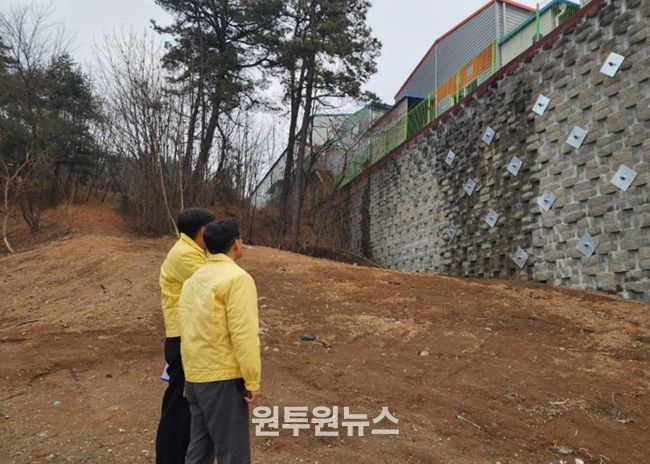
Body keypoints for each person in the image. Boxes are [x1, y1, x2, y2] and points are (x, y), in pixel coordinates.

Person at [179, 218, 261, 464]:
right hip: (222, 378)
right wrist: (252, 379)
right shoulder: (237, 279)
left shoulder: (193, 280)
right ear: (236, 243)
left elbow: (188, 329)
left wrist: (189, 376)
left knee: (200, 449)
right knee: (233, 452)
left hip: (196, 377)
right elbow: (243, 334)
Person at [156, 207, 216, 464]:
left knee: (186, 403)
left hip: (188, 335)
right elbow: (216, 284)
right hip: (183, 338)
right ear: (202, 230)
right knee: (179, 404)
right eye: (212, 228)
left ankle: (181, 455)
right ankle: (171, 457)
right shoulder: (184, 255)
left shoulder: (195, 251)